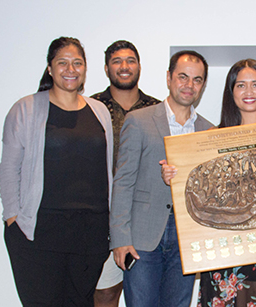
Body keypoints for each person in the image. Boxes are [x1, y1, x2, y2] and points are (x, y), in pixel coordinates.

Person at [163, 59, 256, 306]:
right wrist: (174, 177)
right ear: (231, 91)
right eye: (241, 86)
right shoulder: (211, 138)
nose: (249, 92)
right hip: (226, 255)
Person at [0, 37, 113, 306]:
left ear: (85, 69)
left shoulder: (99, 111)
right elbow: (8, 168)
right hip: (39, 232)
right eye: (62, 63)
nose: (70, 69)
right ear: (50, 68)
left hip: (90, 233)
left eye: (77, 63)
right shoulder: (26, 108)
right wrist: (12, 218)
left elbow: (108, 169)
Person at [109, 50, 213, 307]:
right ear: (169, 78)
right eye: (183, 77)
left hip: (186, 238)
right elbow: (123, 182)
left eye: (197, 80)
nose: (189, 86)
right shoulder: (139, 120)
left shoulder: (209, 131)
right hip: (143, 237)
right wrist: (120, 240)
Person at [91, 40, 160, 307]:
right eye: (117, 61)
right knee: (105, 292)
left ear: (139, 66)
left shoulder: (156, 110)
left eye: (130, 60)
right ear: (107, 68)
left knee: (144, 297)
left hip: (147, 219)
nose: (124, 66)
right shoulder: (92, 107)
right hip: (102, 215)